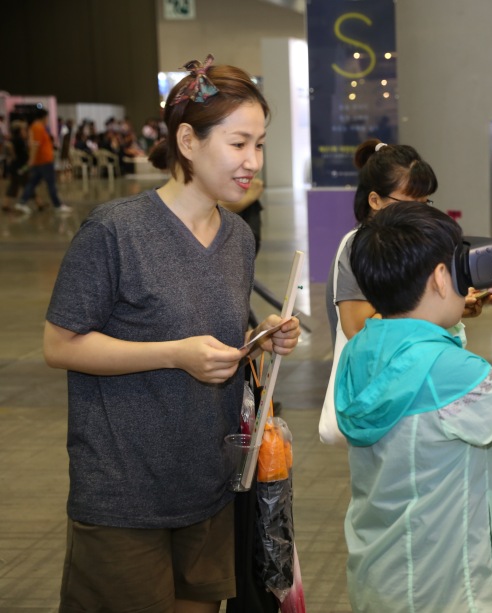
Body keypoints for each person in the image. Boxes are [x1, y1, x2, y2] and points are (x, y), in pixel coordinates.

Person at [43, 55, 300, 612]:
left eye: (259, 145)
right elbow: (60, 344)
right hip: (124, 494)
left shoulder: (236, 236)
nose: (253, 161)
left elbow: (211, 332)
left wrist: (262, 338)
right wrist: (175, 355)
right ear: (187, 140)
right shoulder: (115, 231)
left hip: (208, 486)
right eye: (239, 144)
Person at [333, 202, 492, 612]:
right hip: (445, 591)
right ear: (442, 277)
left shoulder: (362, 348)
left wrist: (448, 319)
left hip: (381, 577)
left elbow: (425, 371)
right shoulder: (452, 373)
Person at [320, 138, 439, 444]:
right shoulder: (357, 248)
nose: (420, 214)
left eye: (425, 203)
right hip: (375, 393)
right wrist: (430, 303)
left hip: (409, 385)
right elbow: (358, 328)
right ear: (375, 200)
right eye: (409, 203)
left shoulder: (409, 243)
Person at [14, 108, 71, 215]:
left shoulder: (36, 127)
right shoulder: (38, 127)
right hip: (44, 161)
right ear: (43, 117)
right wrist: (31, 160)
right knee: (51, 183)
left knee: (33, 183)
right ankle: (57, 205)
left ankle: (21, 203)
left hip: (40, 161)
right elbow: (35, 144)